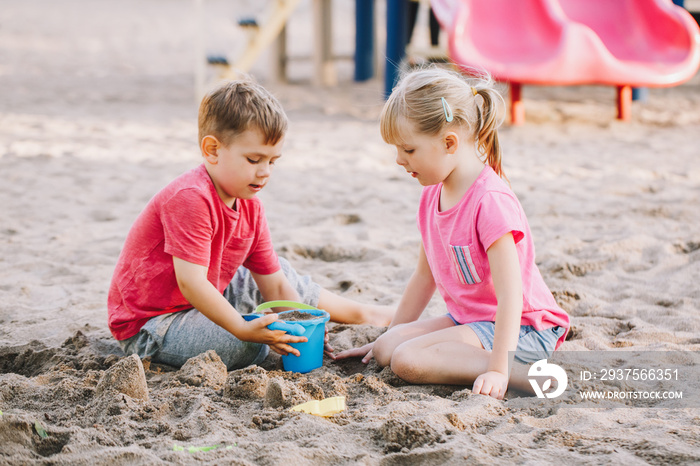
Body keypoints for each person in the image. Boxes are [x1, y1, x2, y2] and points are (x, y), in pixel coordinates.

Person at [108, 79, 392, 370]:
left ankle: (365, 313)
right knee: (251, 346)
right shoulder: (191, 198)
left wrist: (300, 322)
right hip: (154, 324)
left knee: (280, 272)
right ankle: (247, 330)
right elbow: (191, 283)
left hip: (210, 294)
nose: (265, 171)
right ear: (212, 150)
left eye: (273, 161)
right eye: (254, 159)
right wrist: (244, 329)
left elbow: (277, 286)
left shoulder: (250, 204)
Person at [336, 67, 569, 399]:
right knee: (388, 348)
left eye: (409, 150)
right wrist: (391, 333)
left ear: (449, 142)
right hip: (471, 321)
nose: (399, 160)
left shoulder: (490, 202)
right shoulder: (432, 193)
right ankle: (461, 355)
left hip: (523, 330)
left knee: (407, 360)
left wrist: (498, 370)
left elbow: (510, 297)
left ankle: (527, 374)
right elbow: (423, 275)